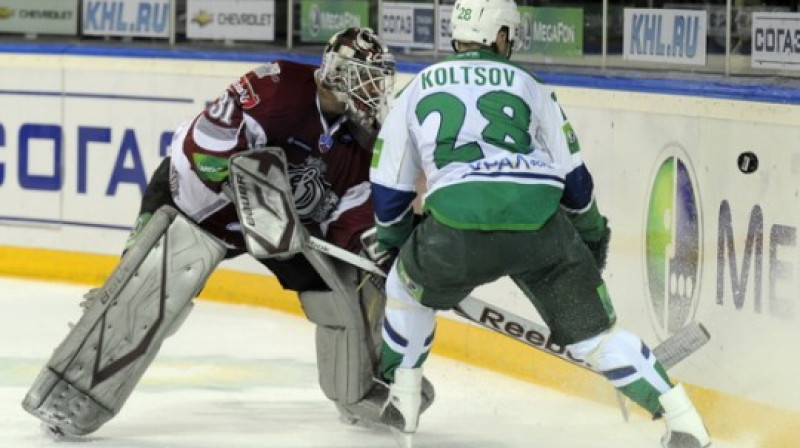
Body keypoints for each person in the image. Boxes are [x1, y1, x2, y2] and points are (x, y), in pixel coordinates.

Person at [23, 27, 427, 437]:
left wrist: (370, 246)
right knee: (147, 297)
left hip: (284, 230)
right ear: (340, 73)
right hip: (201, 208)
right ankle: (71, 392)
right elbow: (203, 145)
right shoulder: (279, 86)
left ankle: (362, 390)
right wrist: (238, 178)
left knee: (351, 288)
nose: (376, 89)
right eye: (368, 77)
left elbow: (351, 215)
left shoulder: (363, 140)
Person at [368, 1, 711, 448]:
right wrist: (589, 239)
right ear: (501, 36)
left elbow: (390, 186)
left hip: (455, 229)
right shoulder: (532, 86)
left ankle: (404, 402)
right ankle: (684, 422)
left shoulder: (414, 90)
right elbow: (576, 181)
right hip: (542, 228)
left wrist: (396, 247)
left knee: (404, 290)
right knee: (596, 337)